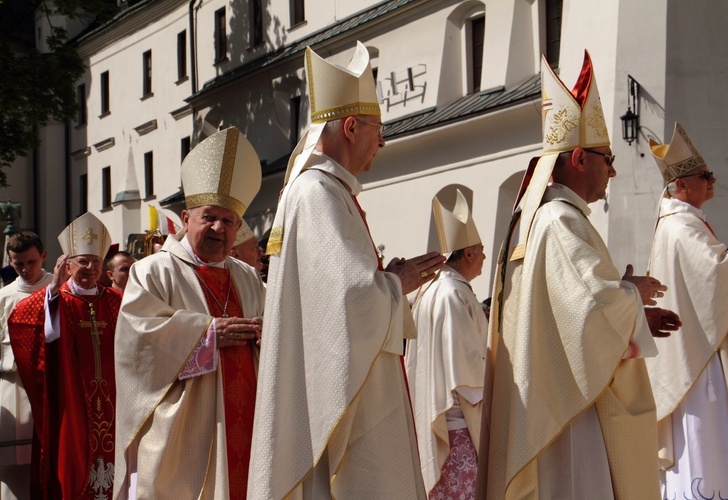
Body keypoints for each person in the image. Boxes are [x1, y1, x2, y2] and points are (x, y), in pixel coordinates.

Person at [477, 51, 681, 500]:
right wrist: (631, 294)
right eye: (606, 158)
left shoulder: (547, 216)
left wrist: (632, 315)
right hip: (567, 410)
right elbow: (592, 311)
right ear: (577, 158)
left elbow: (572, 312)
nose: (613, 169)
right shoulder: (558, 221)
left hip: (558, 393)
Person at [249, 42, 444, 499]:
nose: (383, 141)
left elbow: (345, 290)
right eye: (379, 130)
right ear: (351, 127)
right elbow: (349, 303)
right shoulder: (318, 193)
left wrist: (388, 281)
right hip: (349, 402)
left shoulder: (327, 190)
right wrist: (397, 283)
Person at [113, 127, 265, 500]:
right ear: (185, 218)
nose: (218, 228)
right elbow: (137, 346)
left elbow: (274, 332)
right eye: (209, 217)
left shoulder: (246, 276)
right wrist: (209, 335)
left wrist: (266, 332)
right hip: (186, 431)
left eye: (229, 221)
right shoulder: (153, 271)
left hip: (249, 424)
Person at [646, 123, 728, 497]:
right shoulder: (680, 227)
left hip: (699, 353)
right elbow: (716, 279)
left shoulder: (684, 223)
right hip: (698, 363)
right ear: (681, 185)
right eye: (704, 175)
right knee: (706, 444)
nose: (713, 179)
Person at [8, 213, 121, 500]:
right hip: (71, 399)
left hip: (114, 399)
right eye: (83, 261)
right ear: (67, 264)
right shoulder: (56, 299)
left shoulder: (115, 301)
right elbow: (26, 323)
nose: (90, 268)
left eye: (96, 261)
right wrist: (53, 291)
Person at [405, 189, 487, 498]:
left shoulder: (430, 291)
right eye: (480, 249)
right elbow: (466, 374)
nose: (483, 256)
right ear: (467, 253)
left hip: (436, 417)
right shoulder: (453, 294)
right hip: (459, 429)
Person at [0, 231, 52, 499]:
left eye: (31, 262)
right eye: (17, 263)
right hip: (13, 386)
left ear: (43, 256)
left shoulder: (59, 289)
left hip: (51, 387)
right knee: (12, 468)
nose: (24, 269)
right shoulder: (3, 296)